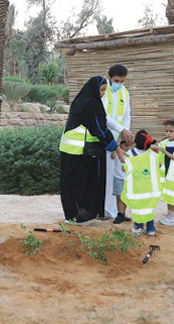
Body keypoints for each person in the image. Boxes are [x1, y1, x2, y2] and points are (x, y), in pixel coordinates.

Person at [59, 76, 125, 223]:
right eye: (101, 90)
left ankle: (71, 215)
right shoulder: (92, 105)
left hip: (70, 151)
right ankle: (81, 216)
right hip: (82, 152)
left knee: (71, 185)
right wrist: (117, 149)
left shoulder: (81, 101)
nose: (103, 94)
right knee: (84, 184)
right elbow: (99, 129)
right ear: (94, 90)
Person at [103, 64, 136, 219]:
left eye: (122, 81)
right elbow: (104, 116)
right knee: (106, 175)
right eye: (116, 80)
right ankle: (105, 210)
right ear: (109, 77)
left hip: (118, 139)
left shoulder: (125, 92)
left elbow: (126, 115)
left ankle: (116, 211)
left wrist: (125, 134)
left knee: (117, 175)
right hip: (104, 138)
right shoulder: (103, 90)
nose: (119, 84)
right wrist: (120, 130)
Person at [122, 130, 162, 236]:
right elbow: (160, 165)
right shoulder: (153, 155)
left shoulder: (131, 154)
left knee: (137, 208)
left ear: (135, 142)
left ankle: (138, 227)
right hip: (150, 188)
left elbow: (123, 168)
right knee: (150, 207)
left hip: (136, 189)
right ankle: (151, 228)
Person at [111, 140, 133, 224]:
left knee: (126, 197)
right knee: (119, 196)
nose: (127, 148)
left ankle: (124, 213)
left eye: (129, 145)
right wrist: (117, 144)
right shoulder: (117, 151)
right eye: (125, 145)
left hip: (128, 178)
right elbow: (113, 156)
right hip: (118, 177)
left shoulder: (131, 153)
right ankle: (120, 213)